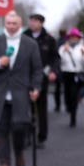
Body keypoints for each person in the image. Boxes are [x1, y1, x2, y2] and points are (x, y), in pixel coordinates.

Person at [0, 11, 42, 166]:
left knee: (19, 128)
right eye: (8, 23)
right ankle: (4, 162)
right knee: (0, 129)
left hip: (21, 93)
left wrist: (36, 88)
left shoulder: (30, 44)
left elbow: (37, 69)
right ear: (5, 24)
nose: (11, 26)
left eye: (14, 23)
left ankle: (19, 152)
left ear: (20, 24)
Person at [23, 13, 59, 146]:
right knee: (26, 108)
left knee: (42, 109)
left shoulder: (49, 40)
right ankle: (26, 135)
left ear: (41, 23)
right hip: (25, 77)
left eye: (35, 21)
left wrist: (53, 71)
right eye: (30, 20)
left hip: (42, 78)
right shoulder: (24, 36)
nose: (32, 23)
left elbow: (55, 58)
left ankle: (41, 137)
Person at [57, 28, 84, 127]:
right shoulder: (63, 47)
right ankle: (69, 107)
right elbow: (59, 61)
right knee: (67, 95)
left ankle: (73, 116)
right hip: (66, 74)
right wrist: (64, 51)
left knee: (74, 95)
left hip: (77, 74)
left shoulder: (82, 48)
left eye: (75, 37)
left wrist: (83, 55)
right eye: (72, 37)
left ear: (78, 38)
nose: (73, 39)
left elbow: (83, 63)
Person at [54, 27, 67, 112]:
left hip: (58, 68)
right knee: (66, 88)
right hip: (65, 68)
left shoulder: (57, 42)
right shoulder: (67, 42)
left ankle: (58, 105)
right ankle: (67, 105)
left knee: (57, 88)